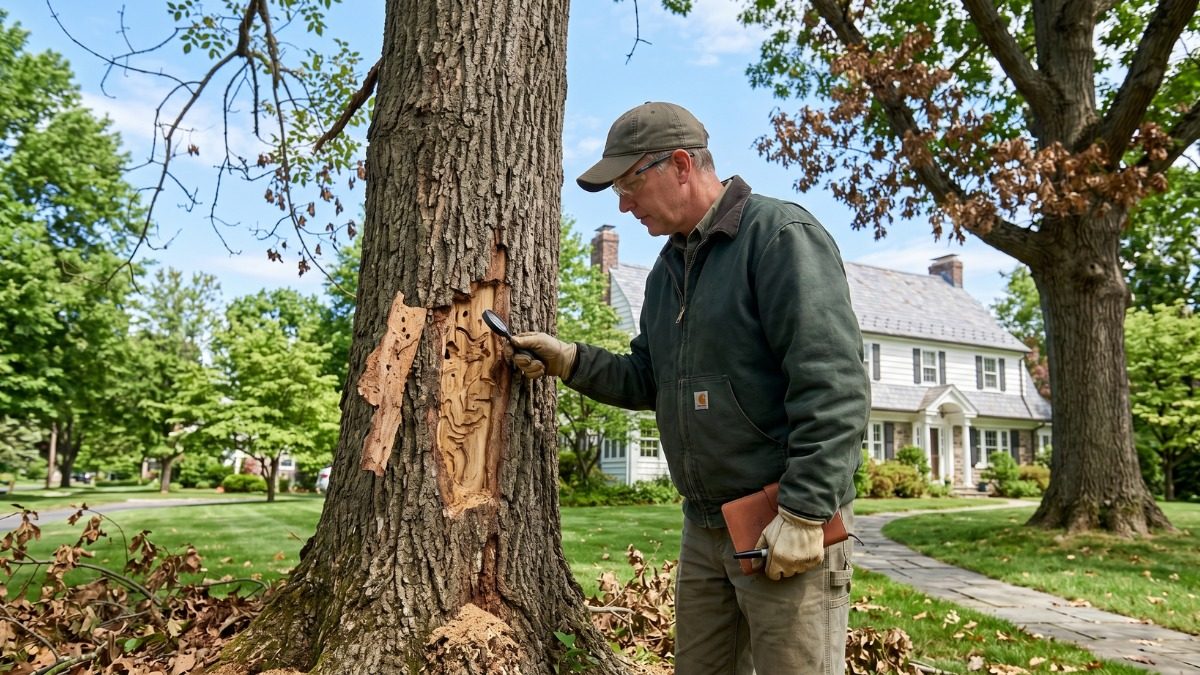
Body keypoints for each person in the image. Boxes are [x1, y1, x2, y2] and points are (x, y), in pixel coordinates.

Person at [508, 101, 869, 674]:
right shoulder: (666, 270)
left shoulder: (779, 238)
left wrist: (805, 512)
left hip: (782, 522)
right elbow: (651, 379)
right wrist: (569, 360)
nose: (623, 205)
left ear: (680, 165)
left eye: (630, 184)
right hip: (705, 527)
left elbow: (835, 386)